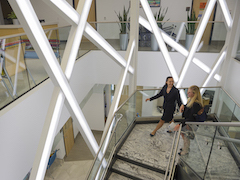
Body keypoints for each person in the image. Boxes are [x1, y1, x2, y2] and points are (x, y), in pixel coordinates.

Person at [177, 85, 204, 156]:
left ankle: (185, 150)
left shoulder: (196, 104)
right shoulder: (191, 100)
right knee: (183, 134)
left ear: (194, 93)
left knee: (186, 136)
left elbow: (190, 117)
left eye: (189, 92)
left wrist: (180, 124)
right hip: (188, 122)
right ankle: (185, 147)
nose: (187, 93)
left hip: (191, 124)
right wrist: (183, 105)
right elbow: (188, 108)